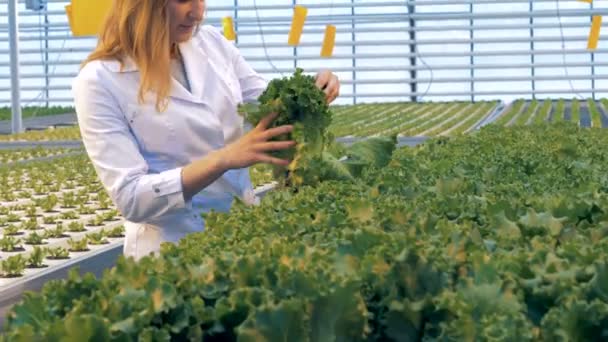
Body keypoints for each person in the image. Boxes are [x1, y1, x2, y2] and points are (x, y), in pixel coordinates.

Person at [72, 0, 340, 261]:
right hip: (173, 252)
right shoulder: (98, 81)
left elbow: (267, 105)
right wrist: (223, 159)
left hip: (245, 238)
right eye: (183, 0)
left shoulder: (211, 43)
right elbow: (131, 198)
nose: (198, 12)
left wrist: (312, 89)